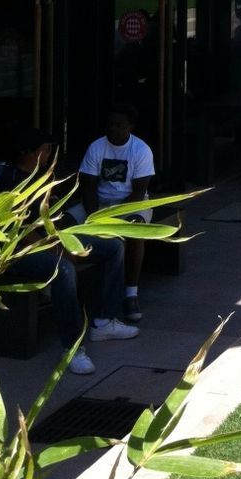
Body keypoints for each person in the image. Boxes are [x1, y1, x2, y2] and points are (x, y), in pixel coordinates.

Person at [0, 126, 138, 374]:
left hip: (51, 239)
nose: (50, 154)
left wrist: (71, 235)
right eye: (47, 150)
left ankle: (105, 320)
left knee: (113, 245)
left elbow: (51, 217)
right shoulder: (10, 183)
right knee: (64, 270)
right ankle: (72, 346)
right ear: (34, 152)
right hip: (17, 252)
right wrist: (60, 248)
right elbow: (18, 233)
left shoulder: (43, 176)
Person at [78, 105, 155, 324]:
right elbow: (88, 187)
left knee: (136, 230)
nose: (113, 129)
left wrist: (115, 221)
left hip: (130, 204)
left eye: (119, 125)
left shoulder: (141, 150)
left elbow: (139, 192)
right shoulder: (96, 147)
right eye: (110, 124)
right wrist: (95, 219)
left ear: (130, 126)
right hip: (100, 203)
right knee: (65, 222)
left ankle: (131, 294)